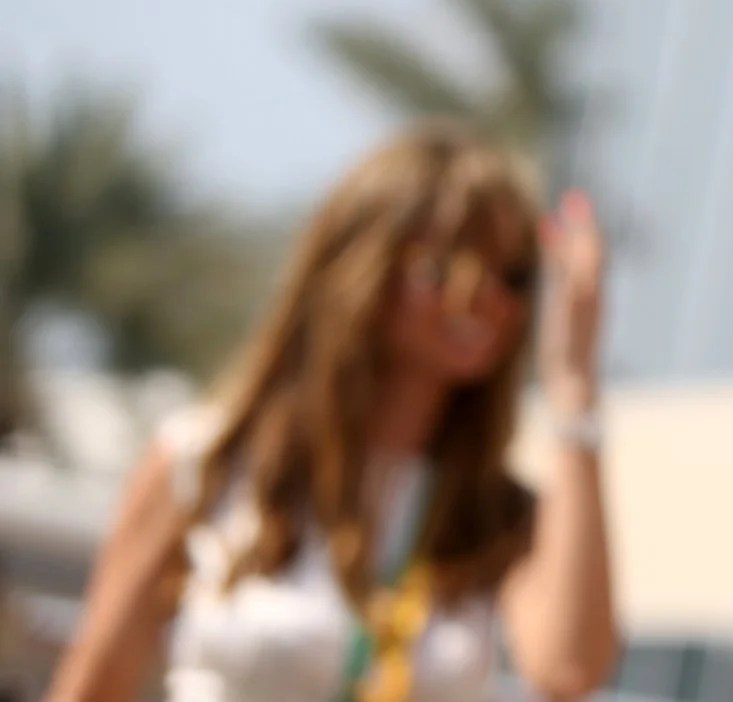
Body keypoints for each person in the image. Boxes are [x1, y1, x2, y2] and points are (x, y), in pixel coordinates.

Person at [46, 124, 621, 701]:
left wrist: (574, 389)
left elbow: (567, 669)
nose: (487, 298)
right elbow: (95, 684)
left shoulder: (498, 513)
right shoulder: (208, 460)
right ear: (362, 263)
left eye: (515, 276)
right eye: (450, 266)